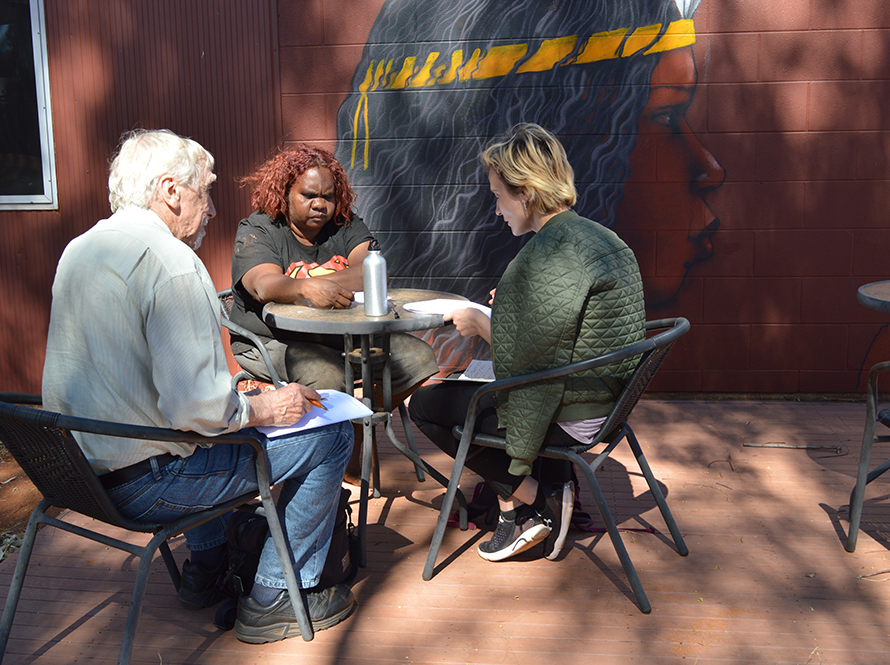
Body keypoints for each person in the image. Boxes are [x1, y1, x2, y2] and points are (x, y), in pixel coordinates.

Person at [41, 129, 356, 644]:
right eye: (205, 191)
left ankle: (206, 566)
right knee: (329, 437)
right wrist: (266, 406)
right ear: (171, 191)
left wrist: (236, 399)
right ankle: (279, 593)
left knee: (210, 426)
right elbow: (200, 411)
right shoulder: (169, 261)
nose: (211, 209)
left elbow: (151, 383)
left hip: (82, 476)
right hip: (147, 487)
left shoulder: (81, 247)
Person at [335, 0, 723, 371]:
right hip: (590, 401)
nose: (711, 169)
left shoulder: (560, 255)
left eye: (666, 115)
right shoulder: (584, 242)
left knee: (433, 404)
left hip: (563, 411)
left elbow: (538, 362)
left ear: (527, 191)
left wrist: (479, 320)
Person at [408, 123, 646, 562]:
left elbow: (530, 365)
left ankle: (538, 500)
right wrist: (516, 307)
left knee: (425, 406)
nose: (496, 210)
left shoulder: (549, 253)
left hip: (575, 409)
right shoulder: (596, 235)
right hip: (605, 400)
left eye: (499, 196)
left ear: (528, 193)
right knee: (467, 390)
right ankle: (531, 496)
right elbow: (565, 320)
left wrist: (480, 322)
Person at [228, 146, 439, 482]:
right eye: (308, 195)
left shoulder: (345, 225)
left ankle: (355, 431)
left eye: (328, 196)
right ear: (283, 194)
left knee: (418, 357)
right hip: (272, 339)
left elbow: (373, 272)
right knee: (328, 377)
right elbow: (264, 285)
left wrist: (312, 282)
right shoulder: (259, 228)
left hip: (340, 334)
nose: (320, 205)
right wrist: (305, 289)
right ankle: (327, 456)